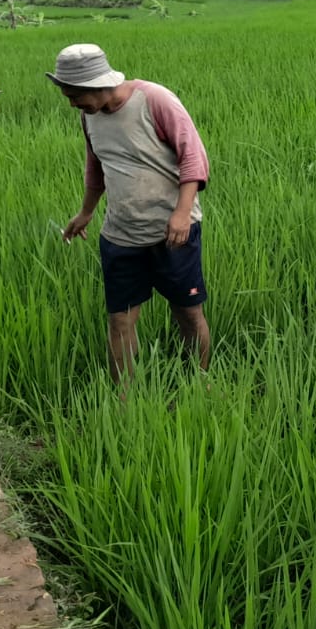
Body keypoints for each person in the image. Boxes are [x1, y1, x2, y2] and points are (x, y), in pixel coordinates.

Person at [52, 45, 212, 381]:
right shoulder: (89, 116)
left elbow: (193, 158)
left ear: (95, 85)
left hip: (173, 234)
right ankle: (124, 399)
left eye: (74, 95)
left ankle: (200, 383)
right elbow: (96, 167)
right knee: (120, 320)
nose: (71, 104)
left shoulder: (155, 100)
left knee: (187, 313)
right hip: (120, 236)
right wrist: (85, 213)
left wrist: (182, 213)